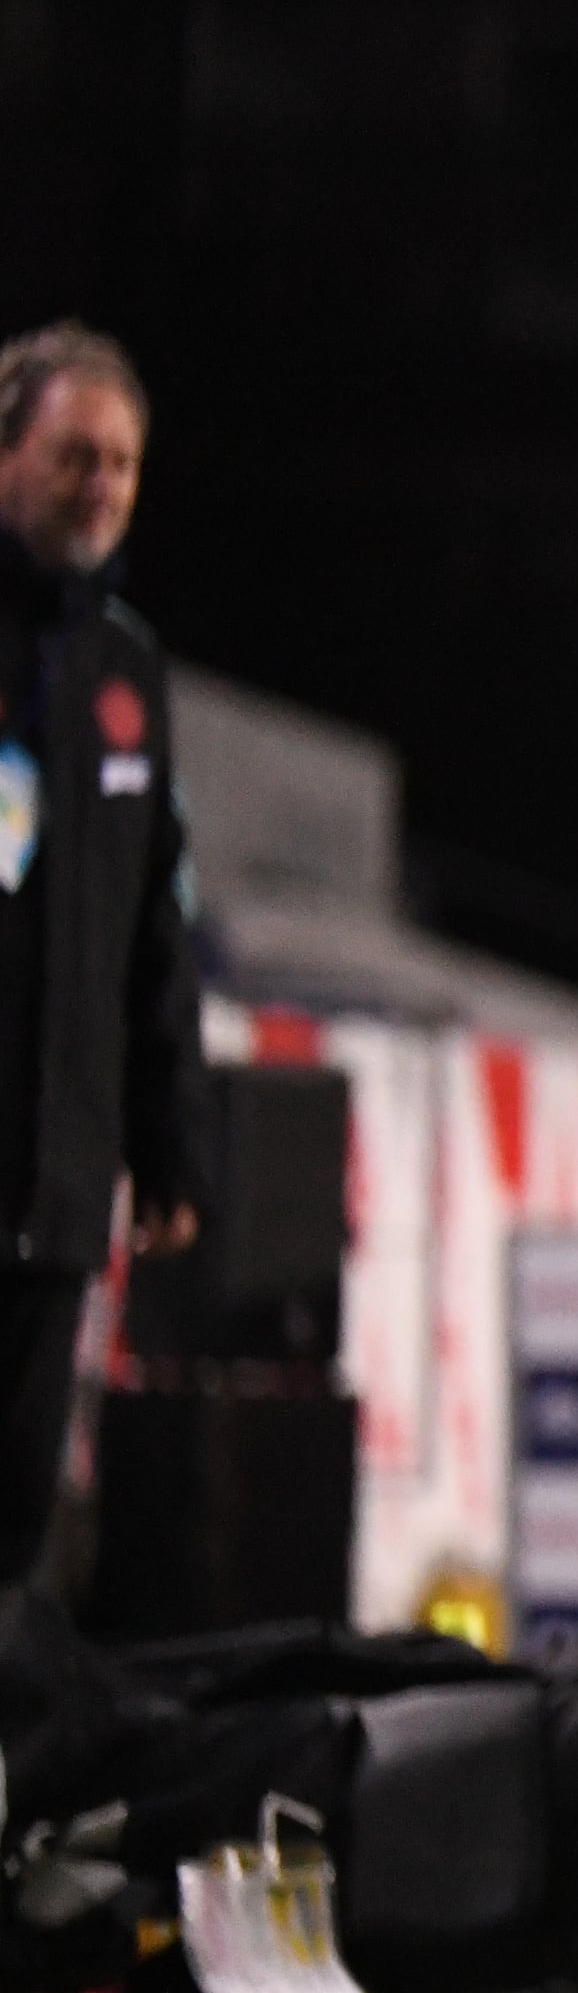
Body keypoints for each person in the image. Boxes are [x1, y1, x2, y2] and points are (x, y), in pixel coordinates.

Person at [0, 323, 203, 1597]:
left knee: (16, 1512)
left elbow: (154, 929)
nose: (101, 487)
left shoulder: (128, 671)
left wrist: (167, 1142)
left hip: (55, 1190)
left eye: (121, 465)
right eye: (76, 455)